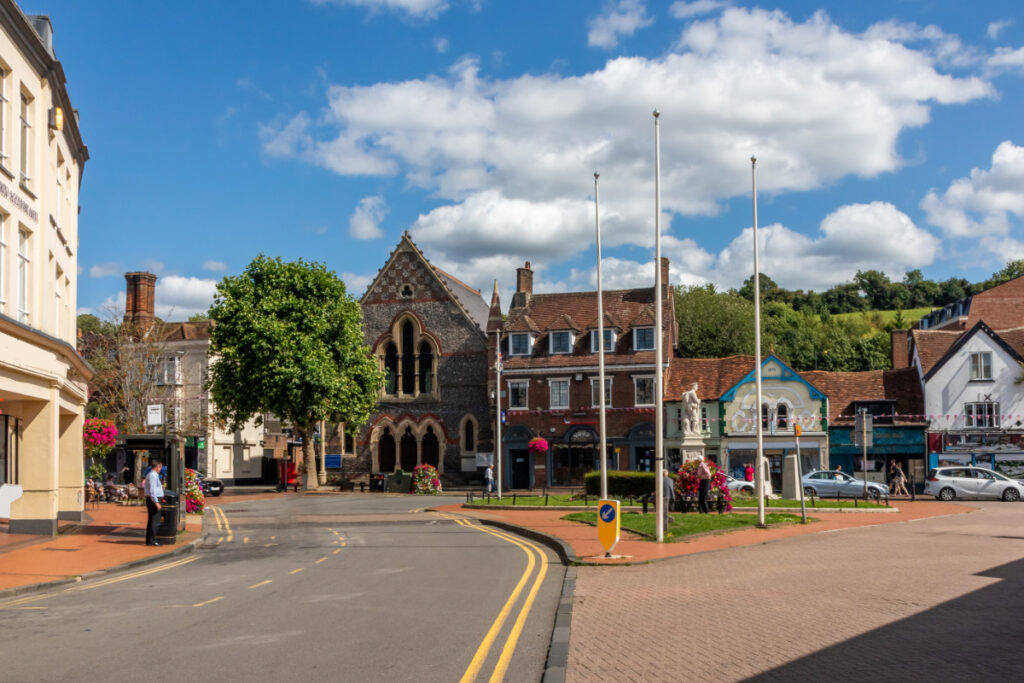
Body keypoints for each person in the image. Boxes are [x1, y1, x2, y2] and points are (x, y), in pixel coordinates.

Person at [143, 460, 164, 546]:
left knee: (151, 520)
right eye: (160, 467)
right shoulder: (153, 475)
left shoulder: (151, 475)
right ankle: (152, 540)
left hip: (152, 499)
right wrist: (156, 502)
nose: (160, 469)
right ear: (158, 467)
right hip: (153, 499)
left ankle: (149, 540)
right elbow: (152, 489)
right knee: (154, 520)